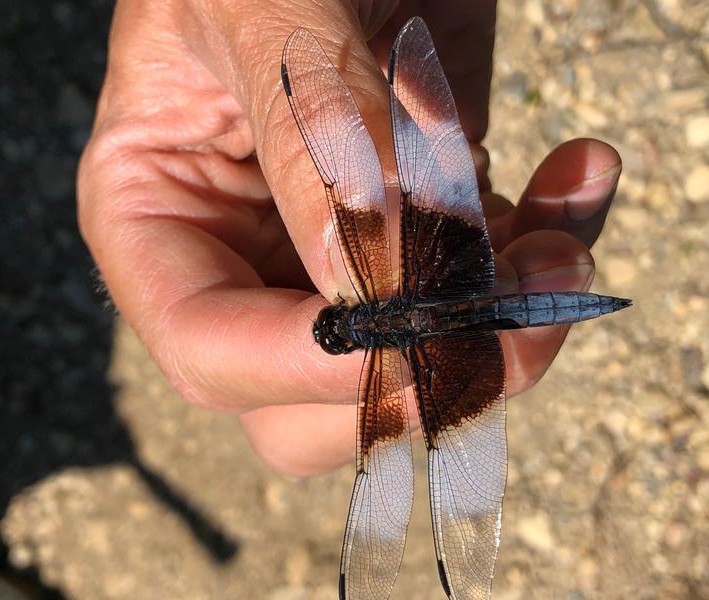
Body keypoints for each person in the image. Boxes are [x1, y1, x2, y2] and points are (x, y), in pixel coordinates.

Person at [77, 1, 621, 477]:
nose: (331, 327)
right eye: (335, 333)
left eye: (333, 332)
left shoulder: (379, 298)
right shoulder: (384, 313)